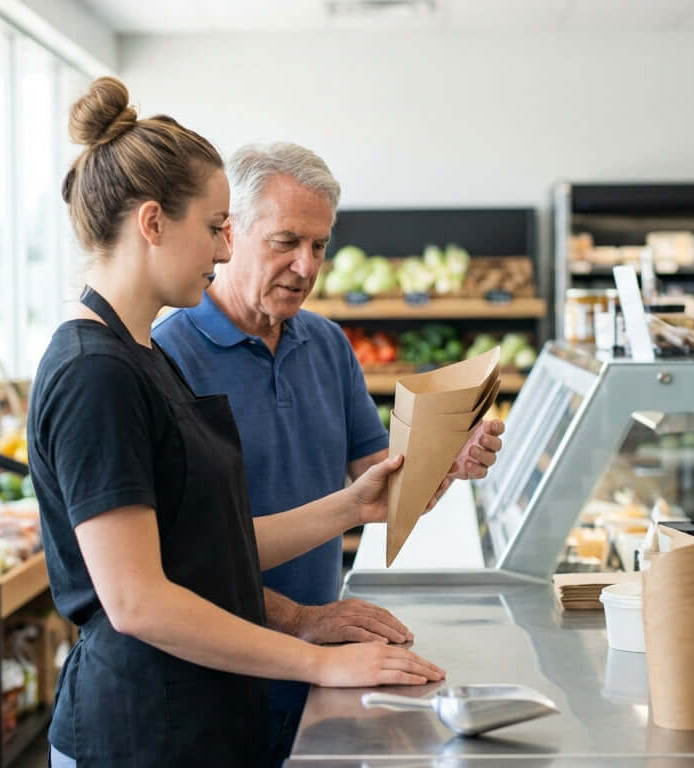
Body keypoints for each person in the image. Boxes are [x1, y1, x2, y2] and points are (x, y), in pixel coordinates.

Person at [28, 77, 444, 768]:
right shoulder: (93, 372)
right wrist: (317, 661)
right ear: (153, 223)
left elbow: (205, 548)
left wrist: (349, 505)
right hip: (142, 734)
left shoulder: (138, 354)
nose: (224, 251)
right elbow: (139, 601)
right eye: (216, 227)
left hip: (202, 720)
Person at [152, 141, 505, 764]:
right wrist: (300, 620)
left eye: (319, 246)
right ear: (230, 232)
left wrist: (443, 460)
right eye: (285, 241)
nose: (306, 265)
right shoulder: (168, 357)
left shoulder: (327, 344)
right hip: (212, 684)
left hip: (316, 671)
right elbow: (176, 559)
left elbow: (383, 493)